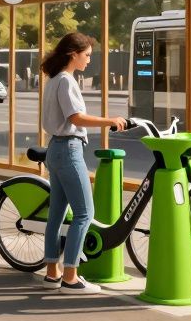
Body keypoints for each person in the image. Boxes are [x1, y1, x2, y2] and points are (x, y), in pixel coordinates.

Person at [39, 33, 126, 294]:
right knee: (85, 213)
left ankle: (52, 272)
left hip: (54, 149)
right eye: (86, 55)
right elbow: (76, 118)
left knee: (56, 215)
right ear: (73, 54)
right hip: (68, 150)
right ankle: (71, 277)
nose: (89, 60)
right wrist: (110, 121)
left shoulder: (54, 79)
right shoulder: (66, 81)